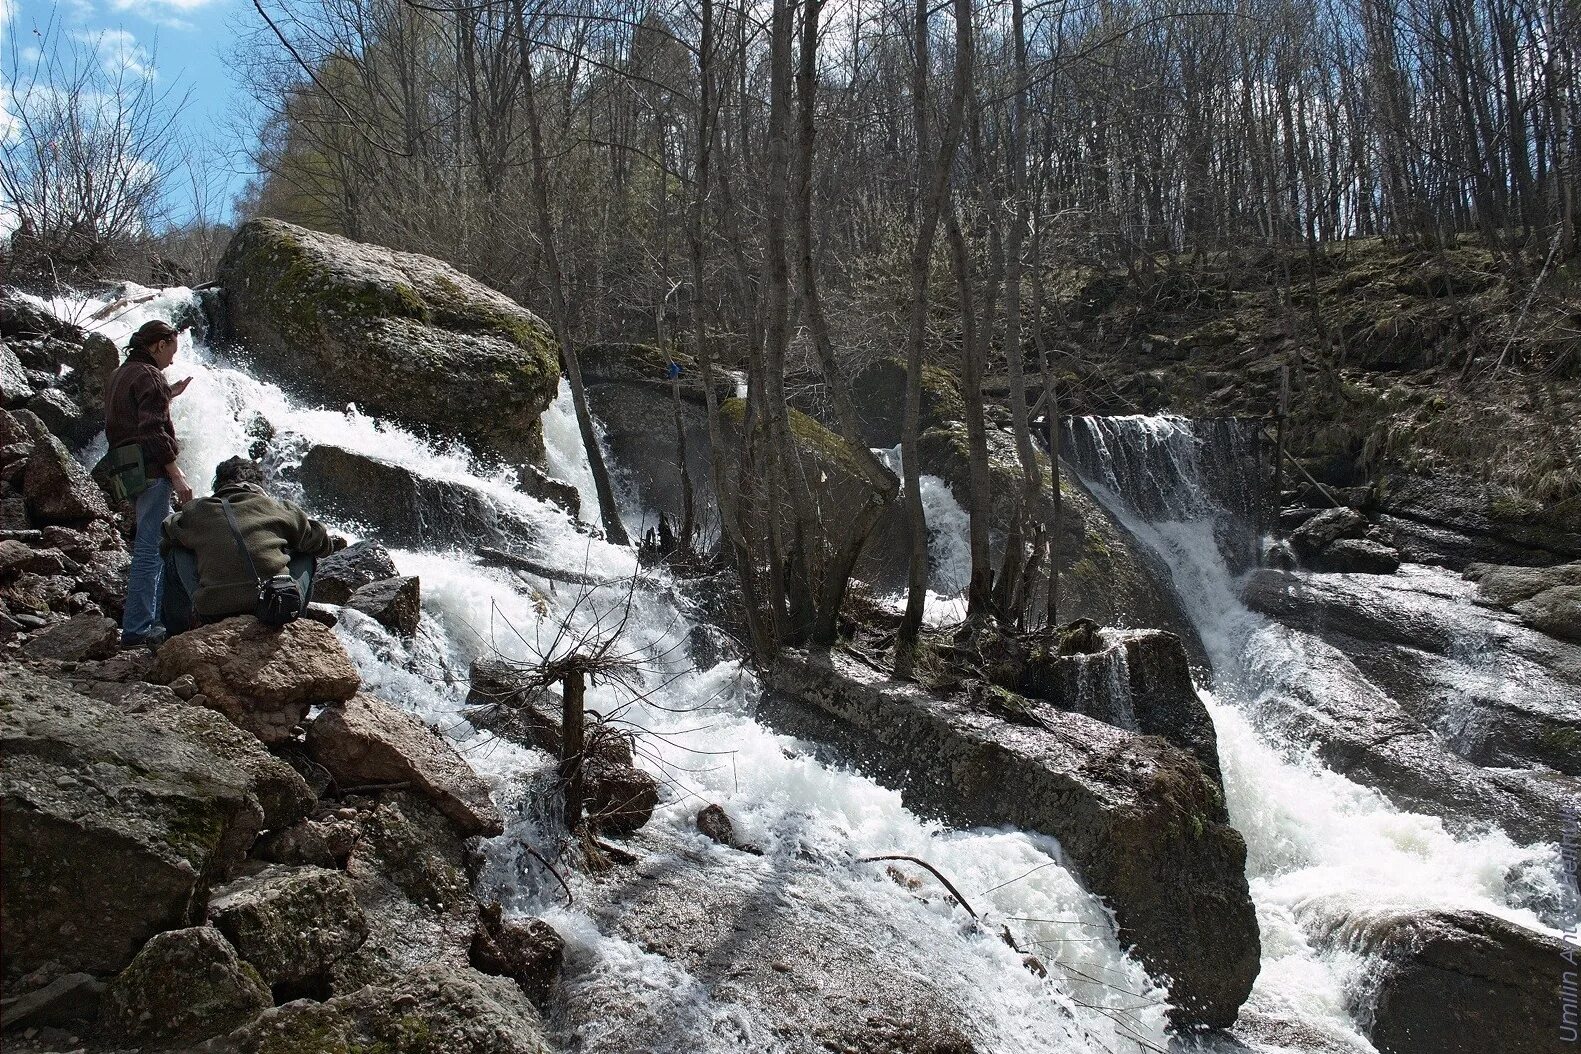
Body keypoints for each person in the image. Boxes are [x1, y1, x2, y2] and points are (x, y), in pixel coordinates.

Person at [161, 457, 342, 632]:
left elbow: (164, 540)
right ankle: (296, 622)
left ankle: (175, 631)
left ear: (218, 487)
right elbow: (324, 545)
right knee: (305, 552)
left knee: (177, 551)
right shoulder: (277, 507)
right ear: (259, 487)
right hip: (275, 603)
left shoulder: (197, 511)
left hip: (213, 609)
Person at [105, 319, 193, 648]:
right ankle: (139, 630)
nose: (172, 359)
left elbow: (131, 415)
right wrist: (176, 472)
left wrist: (168, 394)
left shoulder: (120, 374)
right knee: (149, 552)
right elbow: (153, 429)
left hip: (126, 470)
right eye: (171, 350)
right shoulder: (150, 375)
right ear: (158, 344)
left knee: (149, 547)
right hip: (152, 470)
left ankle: (150, 623)